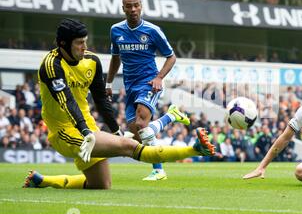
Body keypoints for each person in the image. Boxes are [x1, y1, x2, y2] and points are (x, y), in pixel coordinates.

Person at [23, 18, 215, 190]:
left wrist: (115, 131)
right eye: (79, 43)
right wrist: (86, 132)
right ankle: (195, 149)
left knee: (101, 184)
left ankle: (42, 181)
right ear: (63, 44)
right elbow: (67, 101)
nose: (84, 47)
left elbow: (100, 99)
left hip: (87, 126)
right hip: (64, 132)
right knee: (128, 146)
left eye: (85, 42)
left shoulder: (91, 61)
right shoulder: (51, 65)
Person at [106, 0, 189, 181]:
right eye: (129, 6)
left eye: (136, 5)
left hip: (149, 83)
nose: (133, 9)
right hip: (130, 86)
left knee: (142, 125)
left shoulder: (152, 30)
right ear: (123, 8)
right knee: (136, 134)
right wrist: (108, 82)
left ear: (141, 7)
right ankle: (170, 116)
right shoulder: (116, 30)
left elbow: (171, 56)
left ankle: (159, 171)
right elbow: (115, 58)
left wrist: (159, 78)